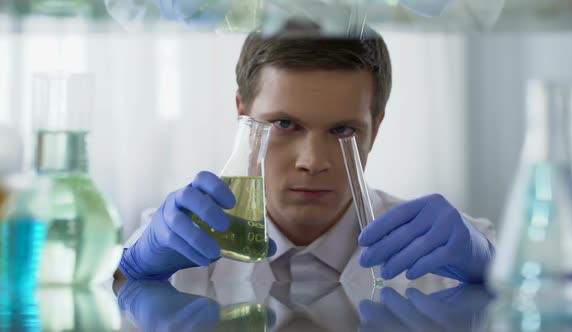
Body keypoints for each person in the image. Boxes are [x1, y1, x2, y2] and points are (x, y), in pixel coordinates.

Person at [115, 19, 495, 287]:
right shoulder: (176, 241)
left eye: (342, 130)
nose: (312, 162)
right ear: (243, 114)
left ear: (375, 130)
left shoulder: (444, 249)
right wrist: (128, 274)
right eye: (284, 124)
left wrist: (494, 272)